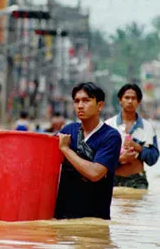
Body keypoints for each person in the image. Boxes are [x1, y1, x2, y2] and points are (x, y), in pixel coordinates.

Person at [55, 82, 121, 220]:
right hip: (63, 217)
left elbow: (95, 173)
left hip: (94, 219)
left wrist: (65, 149)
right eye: (76, 101)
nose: (80, 105)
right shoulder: (68, 131)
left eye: (86, 100)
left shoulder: (110, 136)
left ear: (100, 105)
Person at [105, 84, 160, 190]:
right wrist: (120, 159)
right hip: (112, 179)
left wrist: (138, 147)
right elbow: (99, 159)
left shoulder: (147, 127)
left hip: (137, 181)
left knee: (138, 205)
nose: (130, 101)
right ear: (120, 100)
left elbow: (153, 158)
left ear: (138, 101)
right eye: (126, 98)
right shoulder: (109, 126)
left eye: (133, 98)